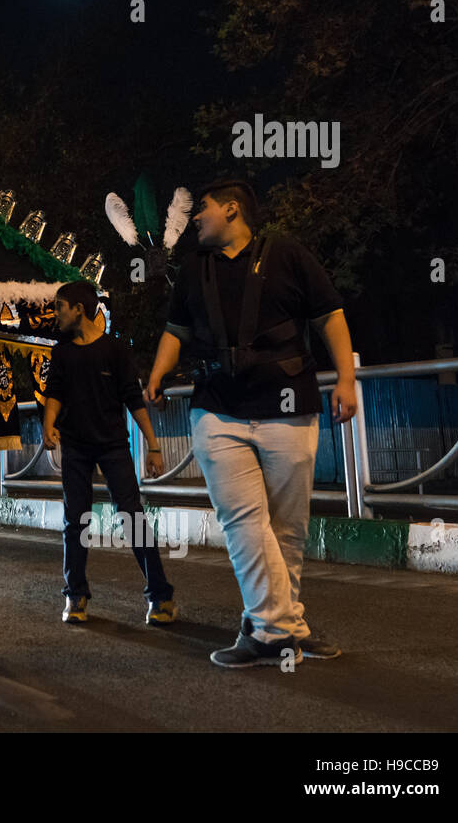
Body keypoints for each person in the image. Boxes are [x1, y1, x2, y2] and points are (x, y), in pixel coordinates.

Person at [145, 179, 356, 669]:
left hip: (288, 405)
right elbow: (175, 330)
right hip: (217, 409)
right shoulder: (194, 268)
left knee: (286, 528)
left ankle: (285, 625)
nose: (196, 218)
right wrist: (157, 370)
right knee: (244, 520)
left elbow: (330, 316)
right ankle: (272, 632)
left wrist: (346, 379)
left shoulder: (288, 254)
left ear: (233, 210)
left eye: (204, 208)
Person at [41, 281, 177, 626]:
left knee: (132, 515)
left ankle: (160, 597)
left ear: (79, 310)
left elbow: (133, 398)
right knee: (76, 520)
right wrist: (49, 424)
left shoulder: (115, 350)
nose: (55, 313)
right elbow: (54, 392)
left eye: (60, 306)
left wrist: (154, 445)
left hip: (114, 445)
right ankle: (76, 596)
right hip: (75, 446)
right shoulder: (62, 352)